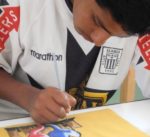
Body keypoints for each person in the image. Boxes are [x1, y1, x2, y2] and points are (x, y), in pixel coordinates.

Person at [0, 0, 150, 124]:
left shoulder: (140, 23)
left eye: (118, 36)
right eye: (96, 20)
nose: (98, 40)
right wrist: (28, 97)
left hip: (83, 131)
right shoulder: (22, 6)